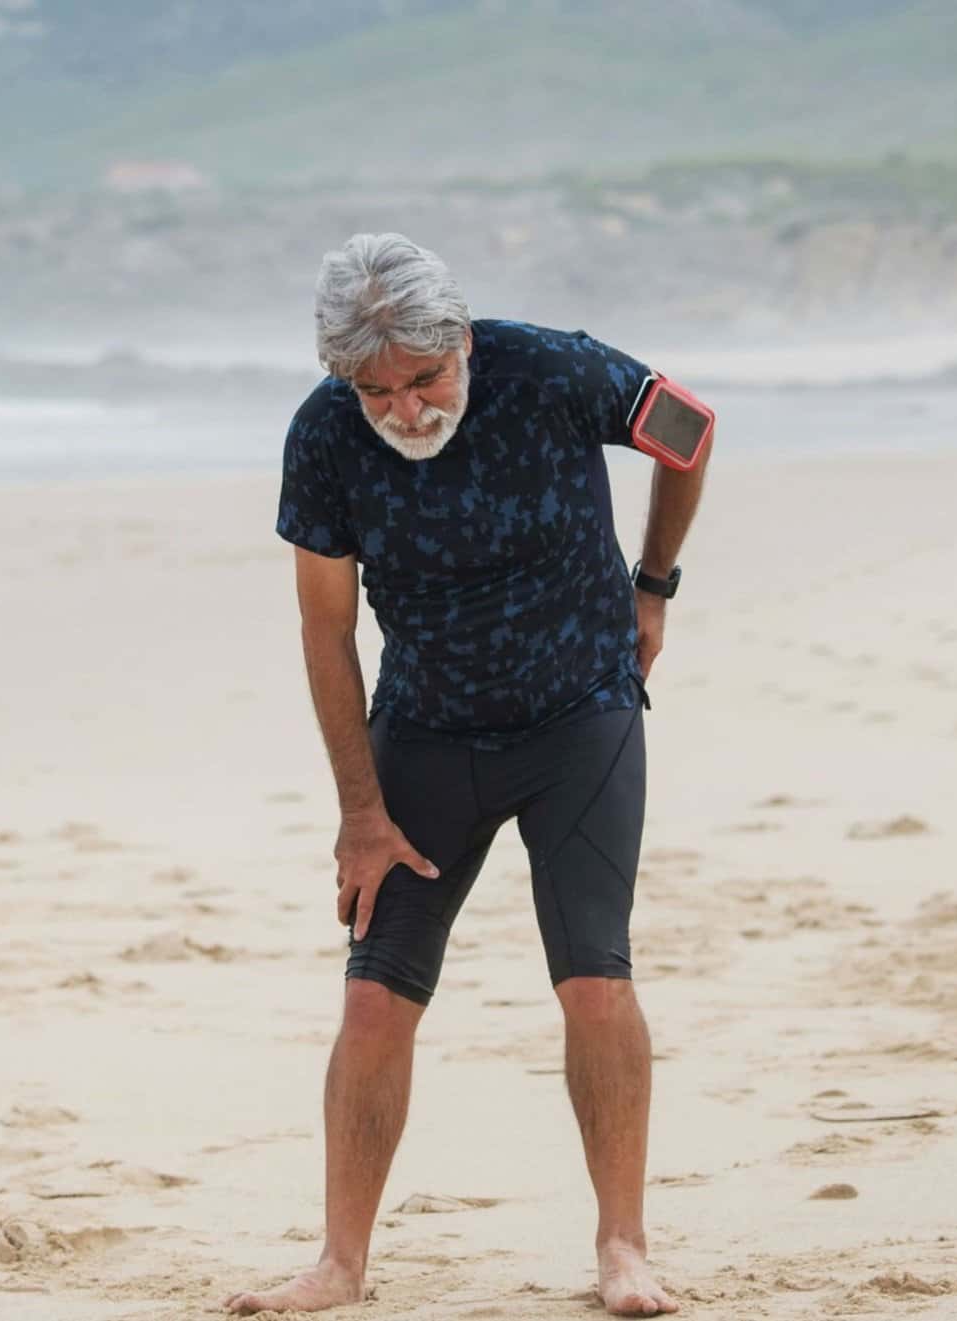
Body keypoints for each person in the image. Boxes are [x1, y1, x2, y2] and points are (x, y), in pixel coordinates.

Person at [225, 233, 711, 1318]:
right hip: (428, 736)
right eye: (376, 389)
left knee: (593, 978)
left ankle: (622, 1248)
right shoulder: (322, 438)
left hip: (577, 716)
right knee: (372, 999)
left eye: (424, 377)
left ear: (462, 341)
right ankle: (339, 1262)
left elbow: (689, 429)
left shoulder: (550, 370)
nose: (403, 407)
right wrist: (359, 810)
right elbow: (323, 626)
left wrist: (654, 585)